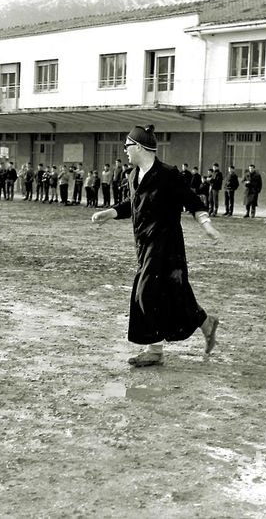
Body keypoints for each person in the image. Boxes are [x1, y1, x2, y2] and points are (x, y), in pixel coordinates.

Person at [91, 124, 221, 368]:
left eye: (128, 146)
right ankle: (205, 323)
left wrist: (206, 225)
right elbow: (133, 203)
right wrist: (110, 212)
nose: (125, 150)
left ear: (139, 147)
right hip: (144, 245)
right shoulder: (133, 176)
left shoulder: (168, 174)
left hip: (167, 247)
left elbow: (192, 200)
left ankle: (154, 350)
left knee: (146, 292)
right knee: (174, 294)